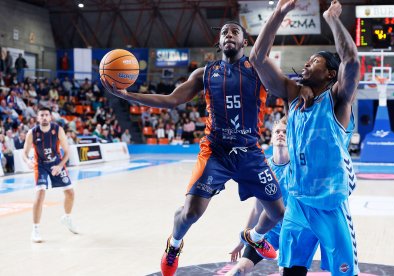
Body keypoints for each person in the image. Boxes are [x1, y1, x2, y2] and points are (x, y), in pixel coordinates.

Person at [101, 21, 307, 276]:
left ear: (244, 42)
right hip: (216, 152)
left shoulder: (258, 70)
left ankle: (253, 236)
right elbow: (172, 100)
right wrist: (129, 95)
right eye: (224, 33)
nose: (229, 35)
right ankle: (174, 245)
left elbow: (286, 87)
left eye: (235, 32)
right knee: (191, 212)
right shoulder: (205, 74)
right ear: (219, 43)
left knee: (276, 212)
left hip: (249, 152)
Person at [249, 0, 360, 275]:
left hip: (330, 204)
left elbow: (352, 61)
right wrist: (279, 13)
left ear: (330, 74)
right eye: (308, 61)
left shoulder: (338, 101)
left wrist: (332, 19)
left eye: (315, 61)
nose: (306, 64)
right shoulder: (293, 99)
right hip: (297, 202)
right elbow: (257, 59)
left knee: (343, 272)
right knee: (290, 271)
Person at [227, 117, 328, 275]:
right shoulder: (263, 169)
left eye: (285, 132)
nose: (281, 134)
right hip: (270, 231)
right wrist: (242, 240)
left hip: (299, 232)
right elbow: (256, 210)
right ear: (272, 136)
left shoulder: (300, 167)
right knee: (239, 268)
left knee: (287, 273)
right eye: (277, 131)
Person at [23, 107, 78, 243]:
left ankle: (67, 218)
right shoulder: (32, 133)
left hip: (56, 163)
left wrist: (60, 166)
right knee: (40, 194)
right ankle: (35, 229)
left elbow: (67, 151)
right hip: (40, 165)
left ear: (50, 117)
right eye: (41, 115)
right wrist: (28, 161)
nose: (44, 117)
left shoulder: (58, 130)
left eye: (46, 115)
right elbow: (24, 153)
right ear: (37, 118)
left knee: (70, 193)